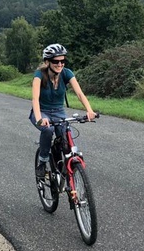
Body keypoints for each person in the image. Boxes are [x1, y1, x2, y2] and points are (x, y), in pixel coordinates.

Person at [30, 44, 96, 179]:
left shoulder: (67, 73)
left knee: (66, 139)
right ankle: (42, 162)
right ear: (47, 62)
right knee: (48, 130)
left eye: (62, 61)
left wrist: (89, 110)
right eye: (55, 61)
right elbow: (35, 99)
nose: (59, 64)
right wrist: (40, 118)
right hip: (42, 111)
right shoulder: (39, 75)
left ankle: (67, 168)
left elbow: (79, 94)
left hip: (59, 112)